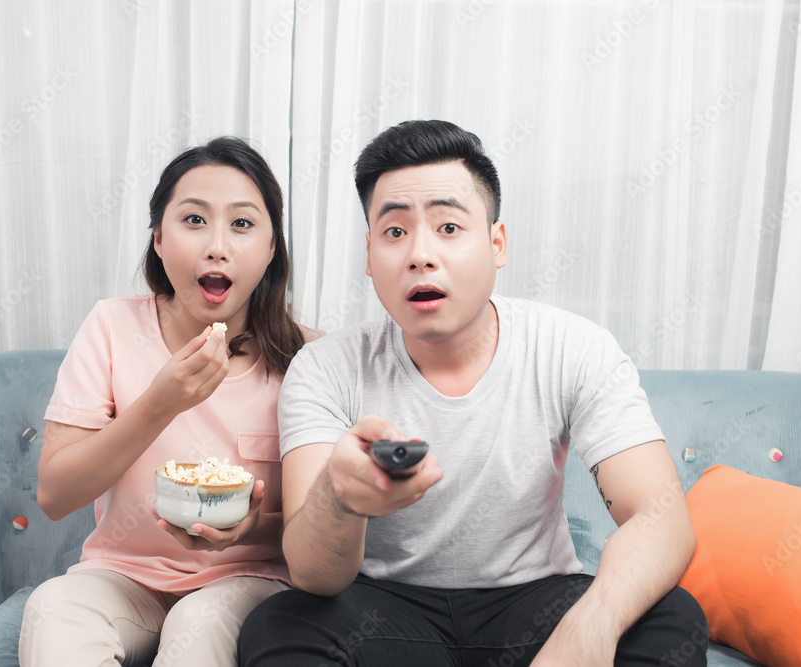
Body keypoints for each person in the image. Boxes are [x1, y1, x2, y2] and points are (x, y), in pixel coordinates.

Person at [237, 120, 707, 666]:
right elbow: (314, 574)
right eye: (394, 232)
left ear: (496, 242)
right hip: (386, 612)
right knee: (278, 626)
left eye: (449, 227)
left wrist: (591, 628)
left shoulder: (574, 348)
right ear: (369, 256)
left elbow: (660, 514)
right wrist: (340, 500)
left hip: (535, 606)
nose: (420, 254)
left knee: (671, 619)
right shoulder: (325, 367)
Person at [20, 136, 316, 667]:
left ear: (273, 248)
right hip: (124, 578)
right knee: (53, 607)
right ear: (158, 238)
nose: (217, 246)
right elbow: (55, 495)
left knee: (197, 622)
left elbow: (319, 524)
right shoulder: (112, 326)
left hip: (249, 582)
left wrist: (251, 530)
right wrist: (160, 403)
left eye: (243, 224)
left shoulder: (310, 357)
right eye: (194, 220)